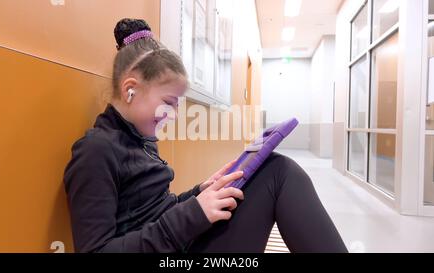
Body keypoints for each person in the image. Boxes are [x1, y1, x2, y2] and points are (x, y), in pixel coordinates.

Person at [63, 18, 348, 253]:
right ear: (130, 90)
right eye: (169, 101)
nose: (173, 115)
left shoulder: (140, 138)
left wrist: (199, 192)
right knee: (280, 172)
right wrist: (194, 213)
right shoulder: (96, 151)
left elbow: (155, 210)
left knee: (276, 168)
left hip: (182, 241)